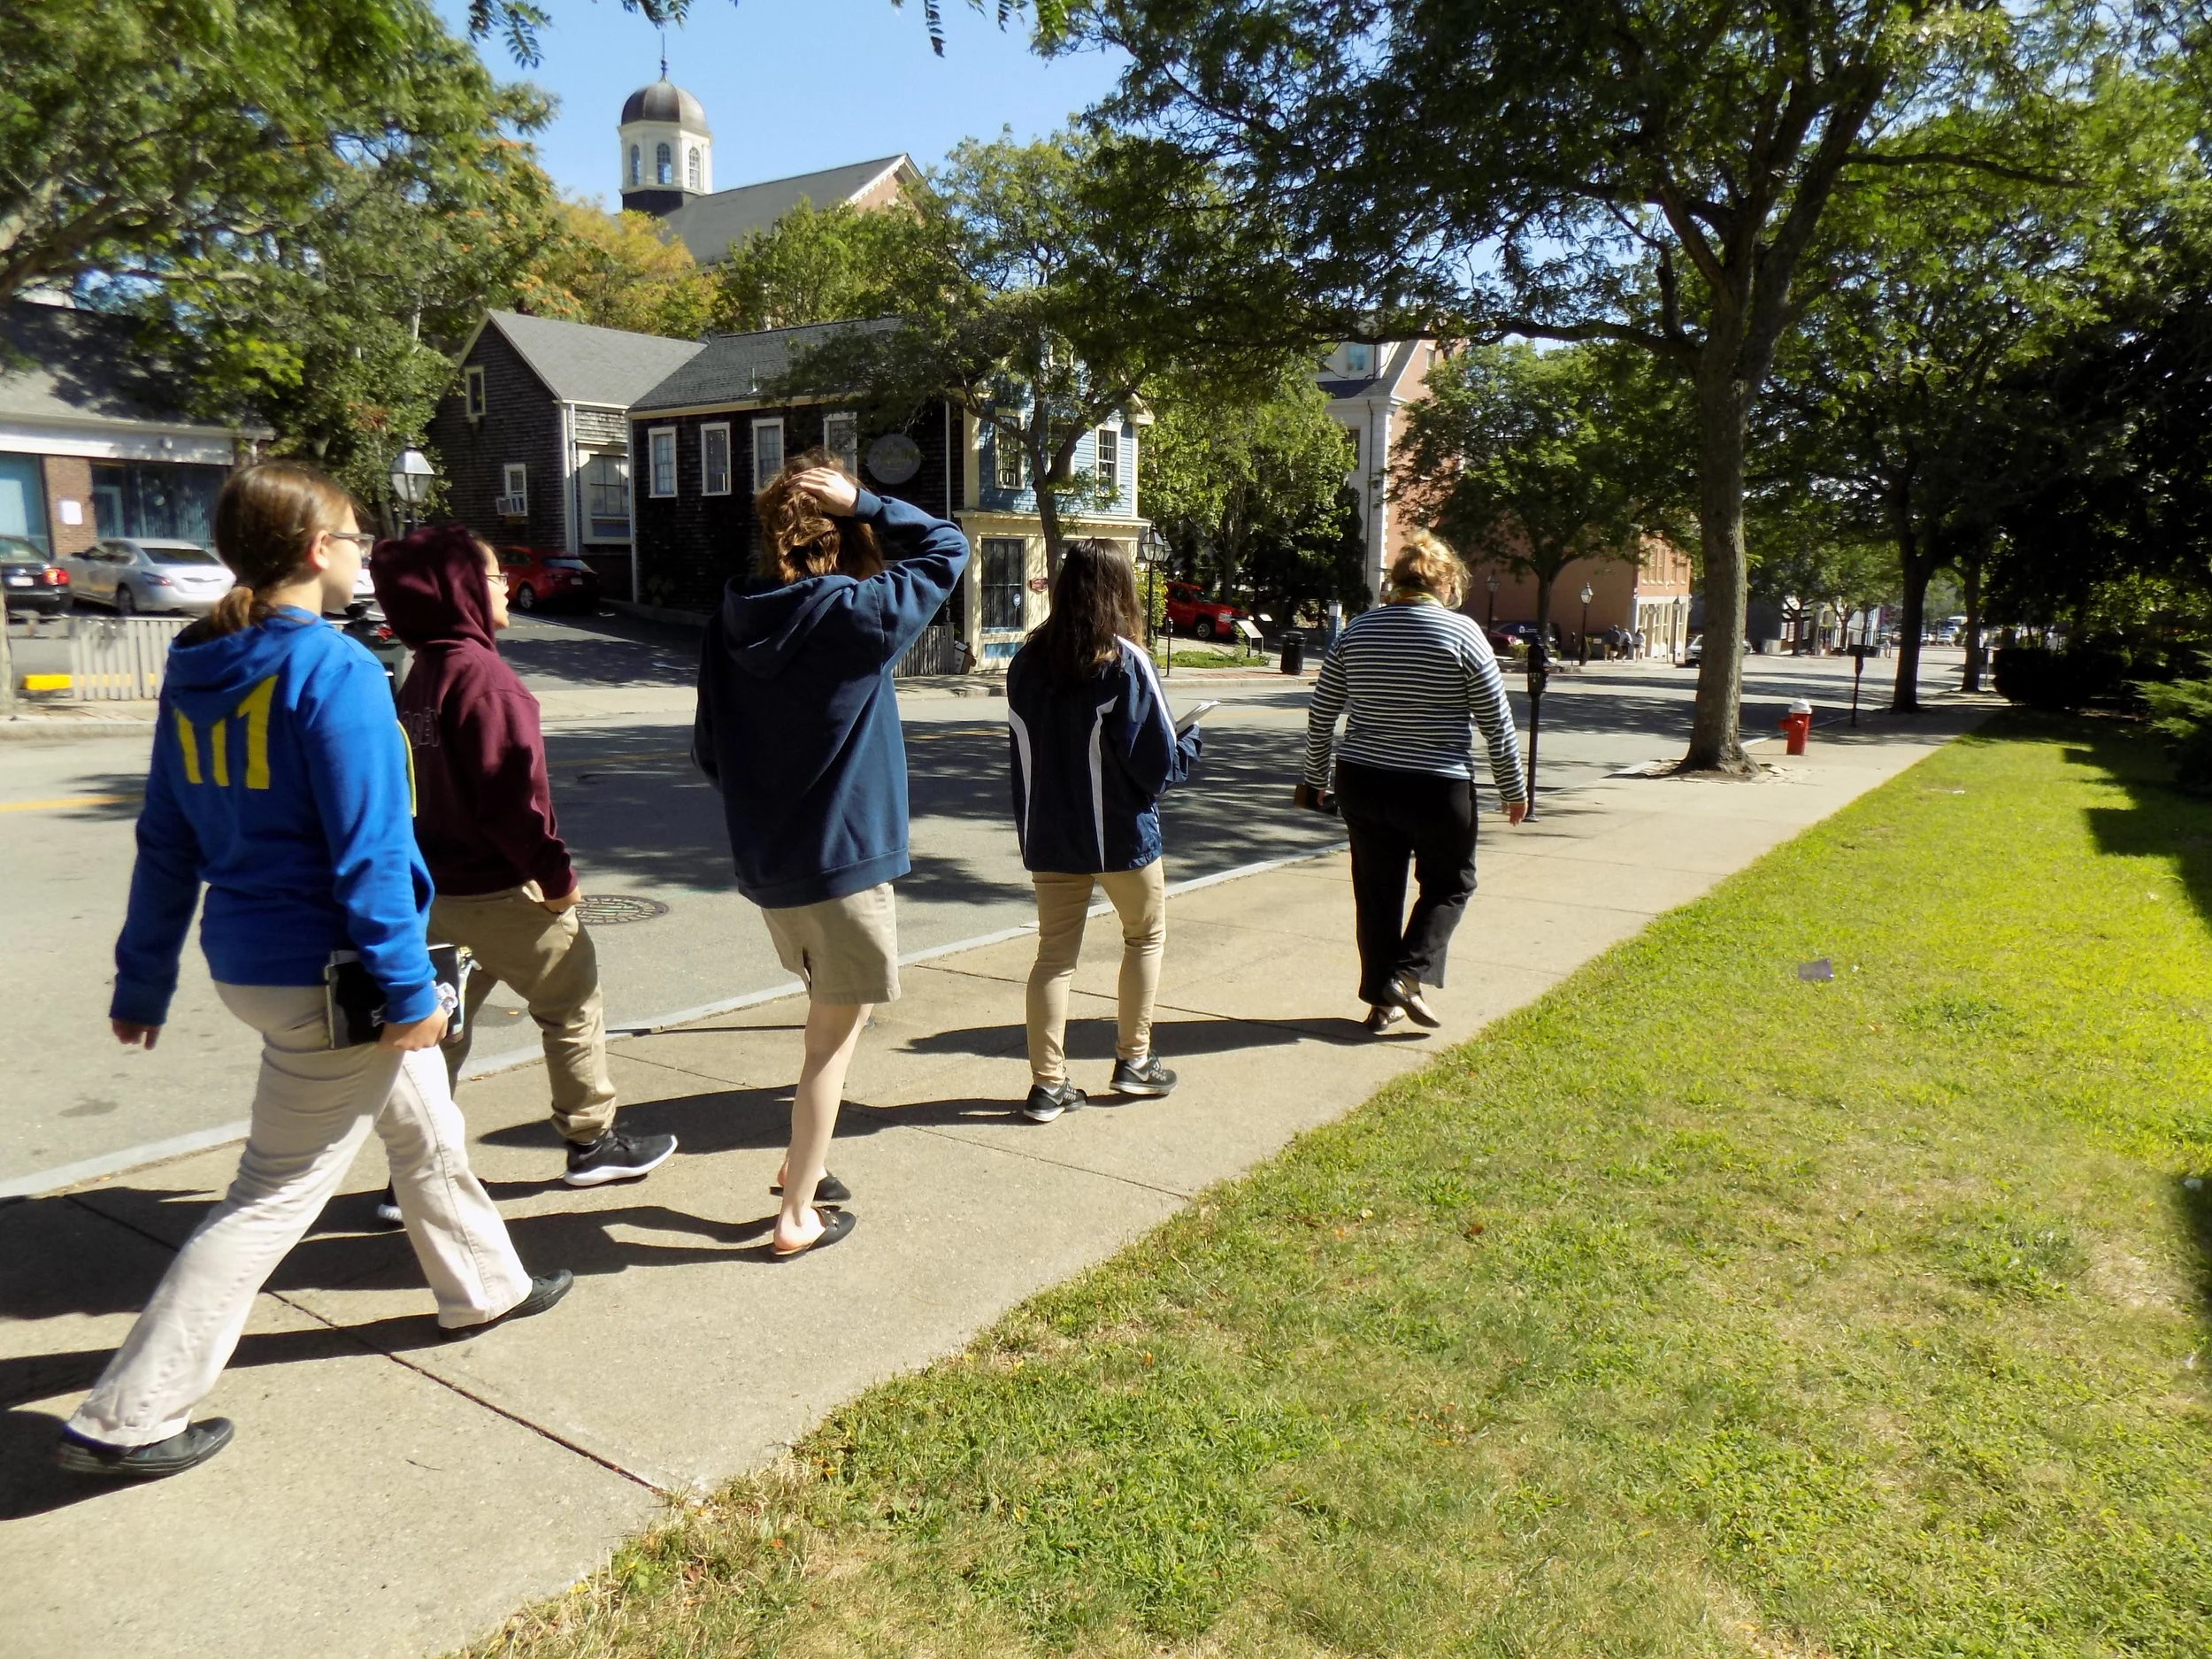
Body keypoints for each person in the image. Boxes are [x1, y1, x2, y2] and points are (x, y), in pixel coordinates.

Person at [61, 464, 568, 1483]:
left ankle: (484, 1286)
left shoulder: (201, 664)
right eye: (352, 537)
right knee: (273, 1191)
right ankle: (130, 1415)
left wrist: (142, 978)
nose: (361, 555)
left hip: (260, 964)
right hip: (332, 975)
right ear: (313, 551)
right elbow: (370, 851)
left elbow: (167, 838)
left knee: (425, 1126)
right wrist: (407, 989)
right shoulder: (334, 670)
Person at [693, 450, 968, 1257]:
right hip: (844, 867)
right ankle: (796, 1211)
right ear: (842, 535)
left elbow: (711, 751)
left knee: (839, 1013)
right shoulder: (857, 612)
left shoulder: (729, 621)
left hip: (773, 870)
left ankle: (799, 1161)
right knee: (831, 1043)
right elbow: (948, 547)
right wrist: (870, 503)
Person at [370, 526, 675, 1210]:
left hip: (434, 893)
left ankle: (411, 1174)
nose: (505, 584)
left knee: (441, 1030)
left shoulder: (421, 674)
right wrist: (558, 879)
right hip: (503, 889)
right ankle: (592, 1142)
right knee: (571, 999)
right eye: (491, 575)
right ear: (460, 589)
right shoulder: (487, 681)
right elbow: (516, 804)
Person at [1300, 530, 1527, 1035]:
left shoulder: (1358, 630)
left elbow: (1323, 712)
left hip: (1363, 780)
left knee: (1377, 894)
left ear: (1398, 581)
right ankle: (1407, 975)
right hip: (1435, 785)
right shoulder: (1463, 634)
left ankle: (1382, 1002)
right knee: (1451, 884)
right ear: (1444, 582)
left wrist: (1315, 777)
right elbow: (1496, 721)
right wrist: (1513, 788)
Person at [1005, 540, 1201, 1123]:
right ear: (1120, 590)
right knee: (1144, 936)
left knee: (1054, 956)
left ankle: (1048, 1085)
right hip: (1120, 836)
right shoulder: (1124, 660)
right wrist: (1190, 742)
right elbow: (1157, 765)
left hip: (1049, 832)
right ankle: (1134, 1060)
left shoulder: (1025, 662)